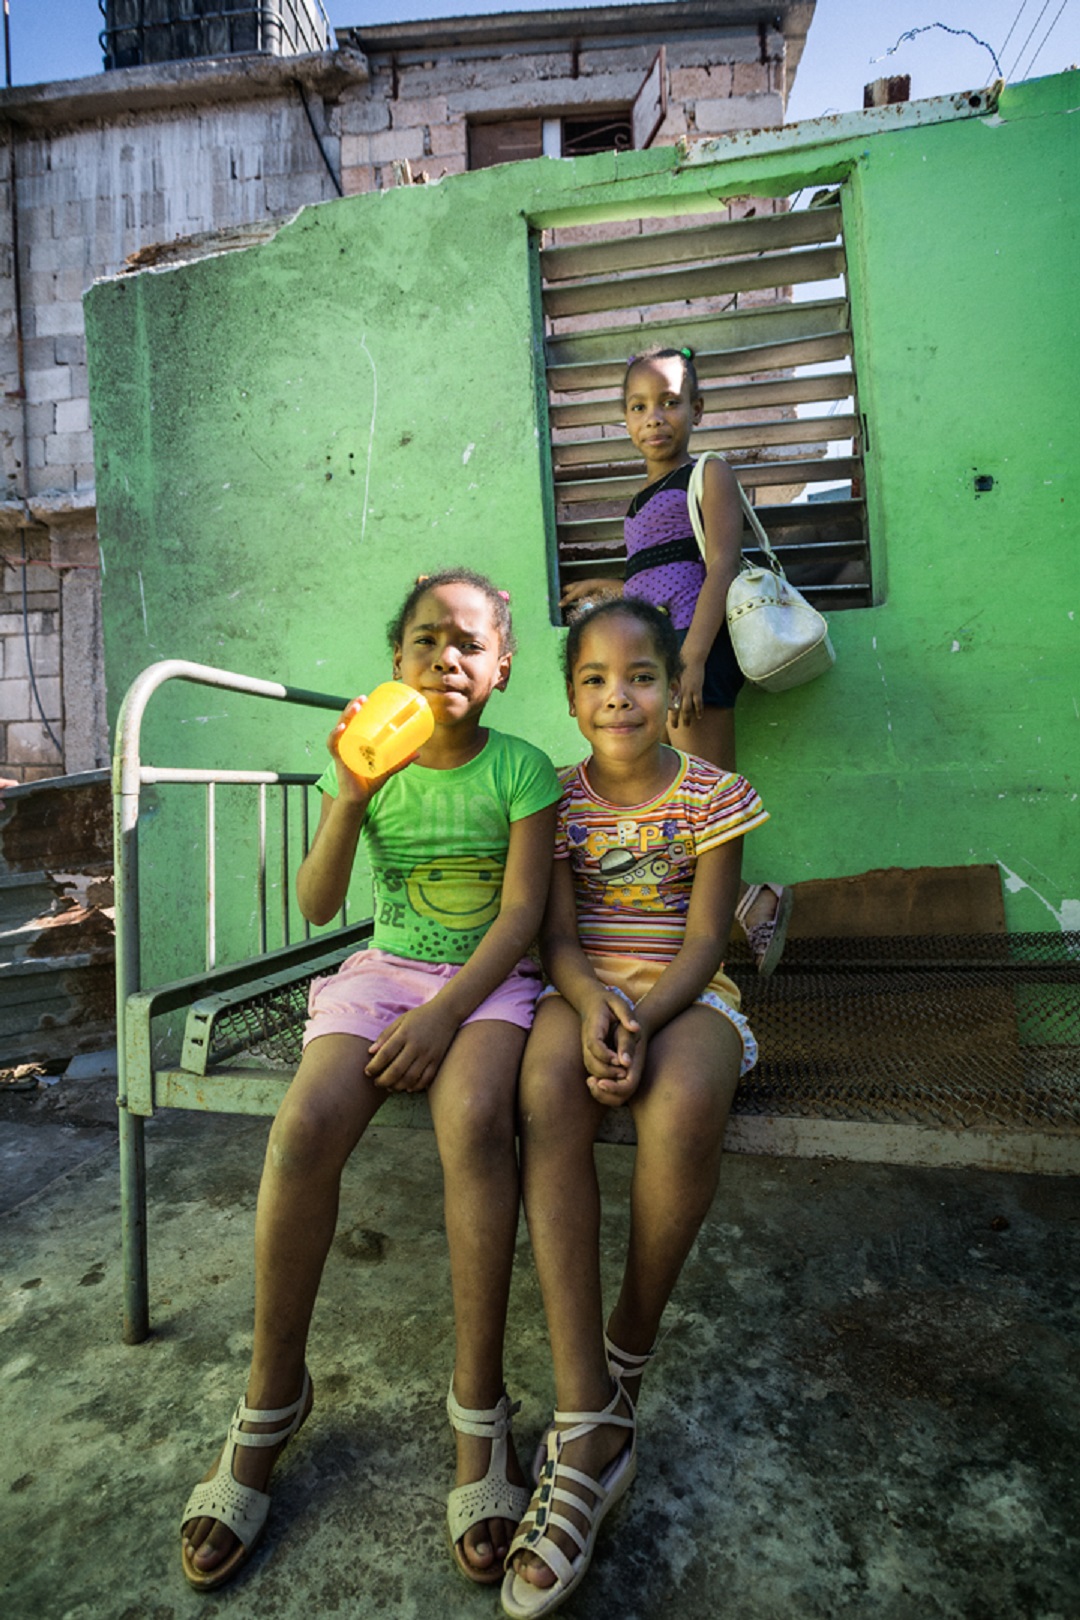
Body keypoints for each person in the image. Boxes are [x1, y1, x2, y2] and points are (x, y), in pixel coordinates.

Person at [180, 570, 561, 1592]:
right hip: (382, 977)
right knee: (303, 1128)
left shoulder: (524, 771)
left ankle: (479, 1409)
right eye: (427, 640)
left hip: (482, 985)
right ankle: (271, 1397)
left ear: (503, 668)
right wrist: (348, 796)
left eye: (470, 643)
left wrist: (445, 1016)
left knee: (479, 1117)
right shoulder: (371, 771)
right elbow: (315, 906)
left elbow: (522, 919)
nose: (447, 656)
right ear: (396, 661)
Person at [501, 597, 766, 1619]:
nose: (620, 697)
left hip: (683, 991)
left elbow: (706, 943)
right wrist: (593, 1008)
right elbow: (558, 941)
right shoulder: (553, 804)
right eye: (597, 680)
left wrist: (645, 1018)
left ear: (673, 689)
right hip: (581, 987)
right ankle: (587, 1419)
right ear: (571, 697)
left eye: (642, 677)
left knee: (689, 1096)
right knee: (542, 1091)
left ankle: (627, 1349)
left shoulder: (715, 796)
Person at [561, 344, 792, 974]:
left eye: (668, 402)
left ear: (696, 407)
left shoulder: (708, 473)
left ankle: (746, 911)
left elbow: (718, 564)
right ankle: (742, 908)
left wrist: (692, 657)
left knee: (705, 799)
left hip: (698, 650)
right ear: (625, 421)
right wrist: (611, 590)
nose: (654, 418)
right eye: (639, 407)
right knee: (673, 803)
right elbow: (659, 574)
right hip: (662, 662)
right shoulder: (640, 498)